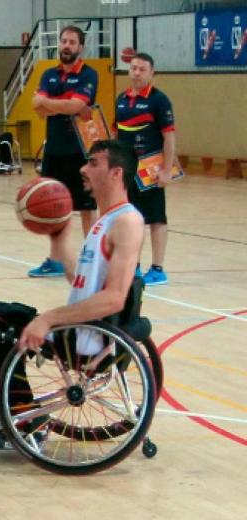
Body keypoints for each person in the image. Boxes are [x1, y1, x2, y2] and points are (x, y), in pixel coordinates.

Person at [18, 140, 145, 350]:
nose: (83, 169)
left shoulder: (128, 221)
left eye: (93, 163)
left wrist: (49, 319)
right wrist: (60, 240)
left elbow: (114, 299)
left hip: (87, 337)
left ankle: (10, 385)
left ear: (116, 173)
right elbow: (81, 281)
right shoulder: (105, 220)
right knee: (2, 315)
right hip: (78, 328)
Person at [28, 25, 99, 278]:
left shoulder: (89, 75)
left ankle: (91, 260)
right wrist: (66, 105)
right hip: (55, 150)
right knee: (57, 207)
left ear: (81, 47)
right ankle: (56, 260)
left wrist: (51, 103)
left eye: (72, 42)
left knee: (86, 208)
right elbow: (37, 107)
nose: (66, 45)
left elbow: (78, 105)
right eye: (63, 41)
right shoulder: (48, 74)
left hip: (81, 152)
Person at [115, 52, 176, 286]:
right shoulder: (122, 99)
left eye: (142, 69)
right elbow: (116, 133)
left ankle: (158, 269)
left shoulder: (159, 101)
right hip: (127, 171)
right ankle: (134, 266)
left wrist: (166, 169)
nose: (137, 72)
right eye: (133, 68)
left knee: (156, 218)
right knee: (132, 218)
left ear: (152, 73)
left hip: (150, 172)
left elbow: (169, 136)